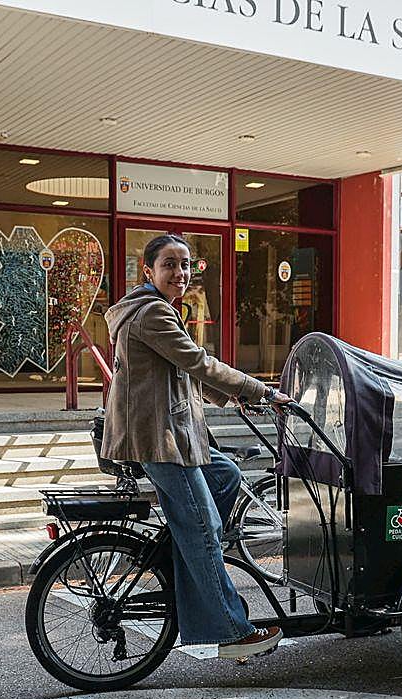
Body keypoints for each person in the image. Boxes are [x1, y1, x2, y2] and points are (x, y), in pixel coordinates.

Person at [101, 234, 291, 659]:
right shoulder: (152, 314)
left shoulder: (153, 309)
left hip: (172, 435)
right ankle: (231, 632)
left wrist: (233, 396)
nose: (180, 273)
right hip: (160, 441)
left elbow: (183, 374)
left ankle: (188, 558)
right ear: (148, 271)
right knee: (205, 531)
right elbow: (198, 362)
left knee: (227, 475)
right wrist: (260, 390)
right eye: (169, 265)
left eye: (186, 265)